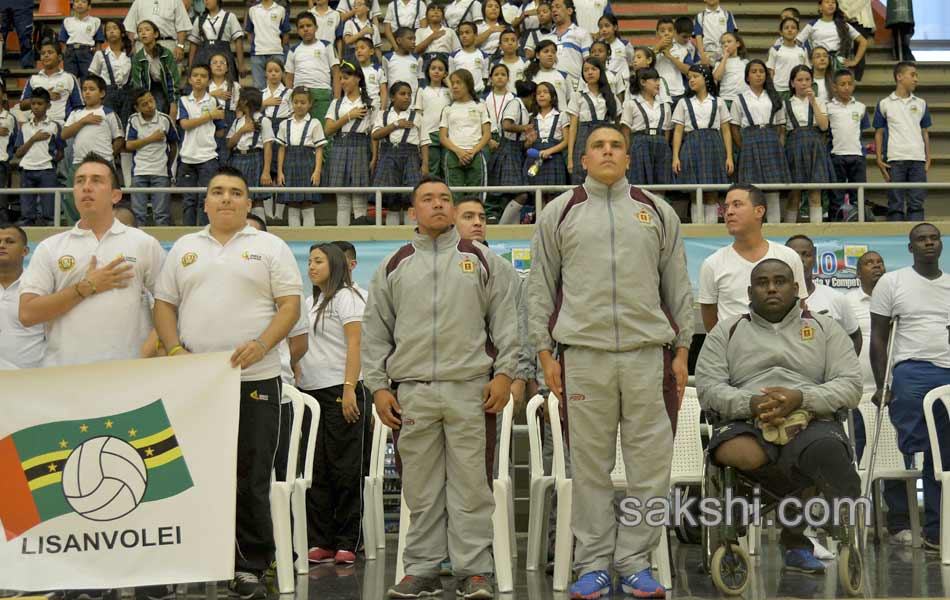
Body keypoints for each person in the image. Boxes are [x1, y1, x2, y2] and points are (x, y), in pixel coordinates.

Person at [528, 124, 693, 599]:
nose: (606, 152)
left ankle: (636, 561)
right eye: (597, 146)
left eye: (615, 146)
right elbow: (539, 288)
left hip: (649, 357)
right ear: (583, 159)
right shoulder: (559, 213)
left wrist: (682, 351)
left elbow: (677, 287)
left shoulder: (656, 212)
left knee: (650, 469)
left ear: (627, 158)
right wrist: (545, 353)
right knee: (589, 467)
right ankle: (595, 562)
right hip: (583, 357)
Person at [362, 176, 518, 599]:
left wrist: (505, 374)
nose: (437, 205)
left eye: (445, 199)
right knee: (421, 488)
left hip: (470, 389)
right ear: (413, 212)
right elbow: (375, 332)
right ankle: (423, 569)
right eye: (428, 200)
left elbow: (507, 324)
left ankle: (474, 571)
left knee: (471, 486)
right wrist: (377, 386)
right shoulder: (394, 265)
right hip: (412, 391)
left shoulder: (484, 261)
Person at [154, 166, 303, 599]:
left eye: (235, 193)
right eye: (217, 192)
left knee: (251, 474)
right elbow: (164, 305)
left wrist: (262, 343)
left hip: (256, 378)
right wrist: (175, 351)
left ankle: (249, 565)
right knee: (190, 473)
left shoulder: (270, 247)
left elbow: (290, 306)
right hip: (197, 383)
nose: (225, 199)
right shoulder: (184, 247)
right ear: (204, 202)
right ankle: (195, 556)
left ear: (248, 203)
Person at [695, 258, 863, 575]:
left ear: (796, 288)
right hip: (748, 419)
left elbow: (851, 386)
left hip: (809, 418)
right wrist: (753, 403)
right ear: (750, 290)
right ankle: (788, 522)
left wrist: (803, 398)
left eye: (780, 281)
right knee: (737, 452)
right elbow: (708, 388)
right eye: (762, 282)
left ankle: (796, 536)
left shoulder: (827, 328)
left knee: (824, 450)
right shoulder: (726, 330)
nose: (771, 287)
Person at [18, 155, 165, 368]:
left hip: (129, 373)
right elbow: (27, 314)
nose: (86, 187)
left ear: (115, 195)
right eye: (80, 181)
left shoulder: (143, 243)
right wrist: (85, 288)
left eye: (96, 180)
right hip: (66, 374)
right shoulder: (50, 248)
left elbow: (169, 305)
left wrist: (145, 352)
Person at [870, 222, 950, 551]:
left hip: (949, 372)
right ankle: (912, 442)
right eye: (921, 239)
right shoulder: (893, 282)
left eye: (934, 238)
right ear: (910, 247)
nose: (928, 243)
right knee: (921, 442)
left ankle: (935, 530)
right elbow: (878, 337)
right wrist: (882, 384)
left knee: (942, 456)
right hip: (911, 369)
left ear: (941, 245)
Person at [298, 243, 369, 566]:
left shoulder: (346, 298)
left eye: (318, 261)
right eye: (309, 261)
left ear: (336, 265)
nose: (311, 267)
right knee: (317, 470)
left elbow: (355, 344)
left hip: (342, 391)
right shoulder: (312, 303)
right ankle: (321, 539)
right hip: (311, 394)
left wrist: (350, 387)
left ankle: (347, 540)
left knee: (345, 469)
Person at [845, 250, 914, 546]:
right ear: (857, 273)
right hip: (857, 394)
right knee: (854, 460)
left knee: (896, 454)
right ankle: (857, 522)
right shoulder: (847, 302)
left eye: (880, 262)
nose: (877, 267)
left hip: (892, 391)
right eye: (869, 263)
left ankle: (899, 524)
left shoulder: (899, 299)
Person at [698, 184, 807, 333]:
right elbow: (710, 319)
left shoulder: (789, 257)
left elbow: (799, 307)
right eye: (726, 207)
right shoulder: (712, 263)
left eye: (737, 205)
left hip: (783, 349)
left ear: (759, 211)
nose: (729, 212)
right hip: (733, 352)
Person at [671, 64, 733, 225]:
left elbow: (726, 131)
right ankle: (697, 228)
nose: (691, 80)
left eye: (695, 76)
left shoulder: (718, 102)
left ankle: (711, 229)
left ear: (705, 79)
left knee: (712, 191)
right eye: (689, 77)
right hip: (691, 145)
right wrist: (675, 156)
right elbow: (678, 131)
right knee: (694, 191)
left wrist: (729, 157)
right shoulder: (684, 103)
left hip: (714, 146)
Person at [729, 59, 788, 223]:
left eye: (761, 71)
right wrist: (744, 146)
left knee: (773, 189)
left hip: (771, 140)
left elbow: (781, 126)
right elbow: (734, 126)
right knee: (752, 190)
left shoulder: (774, 97)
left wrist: (779, 146)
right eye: (754, 71)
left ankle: (775, 227)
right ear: (747, 76)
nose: (758, 75)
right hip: (750, 141)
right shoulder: (739, 99)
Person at [62, 74, 125, 223]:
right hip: (78, 164)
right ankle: (76, 228)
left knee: (104, 197)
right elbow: (64, 134)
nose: (87, 93)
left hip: (103, 163)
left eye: (92, 89)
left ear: (102, 93)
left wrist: (108, 157)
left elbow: (119, 138)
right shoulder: (76, 114)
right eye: (84, 89)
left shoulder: (108, 113)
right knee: (73, 198)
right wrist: (83, 121)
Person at [873, 61, 931, 222]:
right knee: (895, 204)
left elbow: (925, 132)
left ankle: (917, 238)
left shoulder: (921, 103)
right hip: (894, 159)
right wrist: (878, 159)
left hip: (918, 159)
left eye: (916, 75)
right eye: (912, 75)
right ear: (899, 77)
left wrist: (928, 158)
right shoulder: (884, 103)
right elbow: (879, 133)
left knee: (916, 203)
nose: (916, 79)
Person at [785, 234, 861, 353]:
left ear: (815, 259)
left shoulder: (835, 298)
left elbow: (855, 337)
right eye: (794, 255)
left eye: (806, 254)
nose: (800, 260)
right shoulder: (775, 299)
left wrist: (844, 367)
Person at [325, 61, 376, 226]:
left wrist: (374, 157)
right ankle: (341, 237)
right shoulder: (336, 103)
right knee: (343, 201)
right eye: (340, 78)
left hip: (361, 146)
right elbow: (328, 129)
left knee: (360, 199)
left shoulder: (369, 102)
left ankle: (360, 236)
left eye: (346, 78)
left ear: (358, 79)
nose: (342, 82)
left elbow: (374, 133)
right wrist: (349, 116)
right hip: (340, 146)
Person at [372, 81, 429, 226]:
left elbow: (424, 141)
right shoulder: (383, 115)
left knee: (411, 198)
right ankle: (391, 238)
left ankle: (411, 236)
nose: (407, 97)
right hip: (388, 157)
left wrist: (425, 165)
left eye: (409, 95)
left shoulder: (416, 116)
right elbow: (375, 135)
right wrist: (396, 124)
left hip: (411, 157)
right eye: (402, 94)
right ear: (392, 97)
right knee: (392, 200)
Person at [177, 63, 227, 227]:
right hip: (187, 158)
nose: (199, 78)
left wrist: (211, 124)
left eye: (203, 76)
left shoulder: (214, 101)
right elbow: (184, 124)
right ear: (190, 79)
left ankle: (205, 235)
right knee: (188, 201)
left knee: (205, 201)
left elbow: (220, 132)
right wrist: (209, 116)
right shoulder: (184, 101)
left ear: (208, 81)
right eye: (196, 75)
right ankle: (188, 237)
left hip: (208, 158)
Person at [784, 64, 834, 224]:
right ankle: (788, 230)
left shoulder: (819, 101)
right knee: (794, 193)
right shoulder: (786, 104)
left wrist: (813, 102)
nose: (804, 83)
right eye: (800, 80)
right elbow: (782, 131)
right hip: (794, 146)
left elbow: (824, 126)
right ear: (792, 83)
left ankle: (817, 231)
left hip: (815, 145)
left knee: (815, 193)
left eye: (807, 79)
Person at [126, 89, 179, 226]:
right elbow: (129, 145)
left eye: (151, 101)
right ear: (137, 108)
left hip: (160, 172)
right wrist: (151, 138)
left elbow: (173, 145)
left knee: (161, 214)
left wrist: (167, 166)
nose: (150, 105)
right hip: (139, 172)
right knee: (138, 215)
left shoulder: (165, 119)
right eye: (144, 104)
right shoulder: (133, 120)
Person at [439, 69, 491, 199]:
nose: (455, 86)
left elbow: (486, 135)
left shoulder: (480, 106)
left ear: (468, 85)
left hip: (476, 154)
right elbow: (443, 137)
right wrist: (459, 152)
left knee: (476, 196)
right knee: (454, 195)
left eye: (459, 83)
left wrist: (472, 152)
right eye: (453, 83)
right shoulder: (448, 109)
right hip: (453, 155)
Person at [825, 69, 869, 221]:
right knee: (836, 197)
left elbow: (862, 130)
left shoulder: (861, 107)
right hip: (836, 156)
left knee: (858, 196)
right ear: (834, 87)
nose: (846, 87)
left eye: (850, 84)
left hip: (857, 156)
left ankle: (859, 224)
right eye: (842, 84)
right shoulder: (828, 107)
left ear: (854, 86)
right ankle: (834, 225)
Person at [14, 88, 62, 226]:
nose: (36, 106)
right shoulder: (25, 127)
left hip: (47, 170)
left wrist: (50, 163)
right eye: (33, 103)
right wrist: (34, 139)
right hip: (27, 170)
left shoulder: (54, 126)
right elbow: (18, 153)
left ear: (48, 106)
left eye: (40, 103)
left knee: (48, 212)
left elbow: (60, 152)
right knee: (27, 213)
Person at [0, 223, 45, 368]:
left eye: (9, 241)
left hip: (29, 378)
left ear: (25, 251)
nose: (2, 245)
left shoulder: (41, 286)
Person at [285, 12, 339, 123]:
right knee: (301, 131)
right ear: (298, 31)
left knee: (324, 132)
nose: (305, 29)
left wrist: (336, 100)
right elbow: (289, 78)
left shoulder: (327, 46)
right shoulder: (293, 50)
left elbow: (336, 73)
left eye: (309, 25)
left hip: (322, 93)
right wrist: (289, 100)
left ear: (316, 27)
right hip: (299, 95)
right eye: (301, 27)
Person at [129, 20, 181, 119]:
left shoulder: (166, 54)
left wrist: (173, 104)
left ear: (156, 34)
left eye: (147, 30)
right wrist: (144, 102)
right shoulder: (138, 58)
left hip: (165, 86)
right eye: (140, 31)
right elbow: (139, 85)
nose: (143, 33)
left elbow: (173, 80)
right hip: (150, 89)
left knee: (165, 106)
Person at [245, 0, 291, 89]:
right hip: (257, 53)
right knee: (258, 86)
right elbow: (249, 34)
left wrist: (277, 46)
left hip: (276, 52)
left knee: (278, 85)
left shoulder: (281, 9)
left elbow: (285, 35)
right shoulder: (252, 10)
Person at [123, 0, 191, 60]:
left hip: (167, 44)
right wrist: (131, 46)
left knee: (169, 73)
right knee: (142, 73)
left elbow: (182, 25)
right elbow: (130, 26)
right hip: (142, 45)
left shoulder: (176, 1)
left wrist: (180, 46)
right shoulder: (139, 1)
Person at [59, 0, 104, 79]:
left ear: (89, 6)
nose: (79, 4)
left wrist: (97, 58)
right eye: (76, 1)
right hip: (70, 52)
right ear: (73, 6)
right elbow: (63, 42)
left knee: (87, 79)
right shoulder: (67, 21)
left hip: (87, 52)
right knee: (70, 80)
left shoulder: (96, 21)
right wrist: (66, 54)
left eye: (83, 1)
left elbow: (98, 43)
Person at [767, 17, 809, 96]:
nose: (790, 30)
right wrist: (771, 89)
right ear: (781, 32)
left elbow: (806, 70)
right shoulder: (775, 50)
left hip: (797, 90)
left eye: (793, 28)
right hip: (779, 89)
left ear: (797, 32)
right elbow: (771, 71)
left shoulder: (803, 50)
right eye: (786, 28)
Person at [694, 0, 738, 66]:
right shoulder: (700, 16)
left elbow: (731, 36)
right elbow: (698, 37)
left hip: (724, 53)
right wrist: (703, 56)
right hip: (707, 54)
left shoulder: (727, 14)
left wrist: (728, 54)